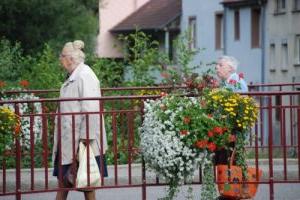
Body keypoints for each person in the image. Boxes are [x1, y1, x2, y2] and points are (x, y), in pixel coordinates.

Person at [52, 40, 108, 200]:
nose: (60, 59)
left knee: (86, 184)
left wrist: (85, 142)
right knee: (66, 182)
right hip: (71, 141)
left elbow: (91, 110)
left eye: (61, 56)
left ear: (70, 58)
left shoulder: (85, 75)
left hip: (82, 142)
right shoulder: (75, 76)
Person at [214, 55, 248, 200]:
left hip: (232, 131)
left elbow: (240, 109)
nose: (217, 68)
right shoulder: (227, 83)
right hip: (225, 130)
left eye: (220, 65)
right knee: (224, 162)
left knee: (230, 163)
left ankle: (232, 194)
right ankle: (227, 193)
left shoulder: (236, 83)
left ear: (230, 68)